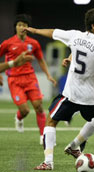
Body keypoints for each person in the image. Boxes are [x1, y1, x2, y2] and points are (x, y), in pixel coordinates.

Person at [25, 8, 94, 170]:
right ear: (93, 26)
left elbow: (53, 32)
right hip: (92, 98)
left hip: (72, 94)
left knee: (51, 121)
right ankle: (75, 145)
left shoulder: (75, 36)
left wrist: (34, 31)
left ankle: (48, 162)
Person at [0, 14, 56, 145]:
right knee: (25, 110)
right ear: (15, 27)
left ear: (28, 28)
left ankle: (43, 136)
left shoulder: (33, 43)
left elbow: (41, 60)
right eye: (19, 25)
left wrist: (48, 75)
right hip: (14, 79)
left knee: (39, 107)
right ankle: (19, 117)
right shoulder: (8, 43)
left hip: (30, 78)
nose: (22, 28)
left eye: (24, 25)